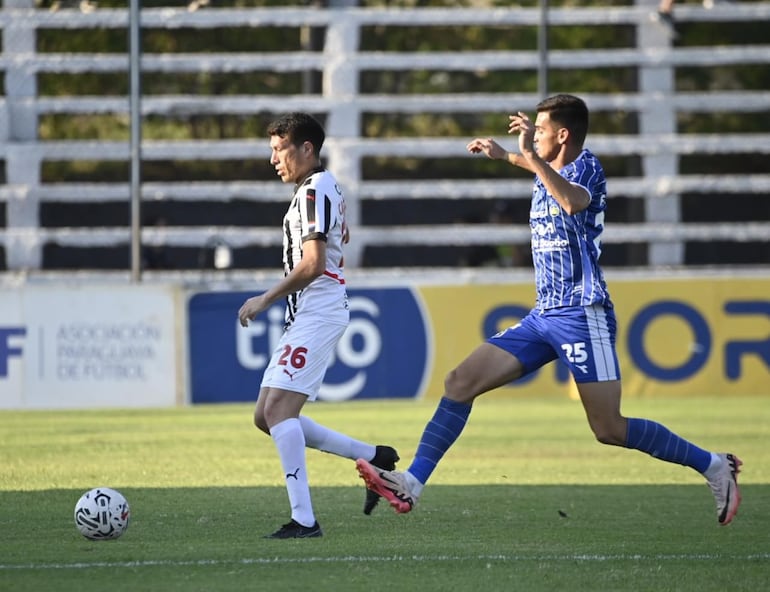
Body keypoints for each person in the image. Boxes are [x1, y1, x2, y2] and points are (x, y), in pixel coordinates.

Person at [356, 94, 742, 526]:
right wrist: (508, 156)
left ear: (563, 135)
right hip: (545, 314)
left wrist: (528, 158)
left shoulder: (586, 167)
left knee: (609, 428)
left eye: (539, 131)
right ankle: (411, 483)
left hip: (581, 312)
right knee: (460, 381)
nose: (532, 136)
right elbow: (541, 170)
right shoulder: (547, 166)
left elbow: (573, 201)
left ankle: (713, 465)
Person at [238, 112, 398, 539]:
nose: (274, 159)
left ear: (306, 148)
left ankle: (304, 520)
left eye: (279, 149)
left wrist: (264, 297)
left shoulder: (316, 190)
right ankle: (374, 456)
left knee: (278, 412)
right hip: (305, 314)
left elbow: (312, 265)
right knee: (265, 416)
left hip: (318, 310)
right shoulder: (313, 191)